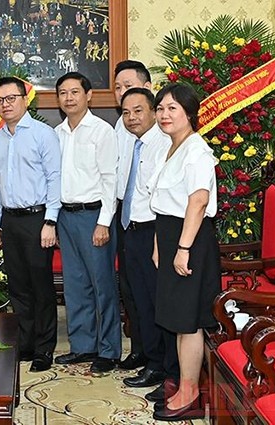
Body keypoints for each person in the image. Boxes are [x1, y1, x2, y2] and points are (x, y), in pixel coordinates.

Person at [150, 83, 220, 421]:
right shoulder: (171, 147)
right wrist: (158, 245)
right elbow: (163, 203)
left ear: (189, 113)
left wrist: (182, 248)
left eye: (172, 108)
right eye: (160, 108)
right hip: (169, 236)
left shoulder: (196, 150)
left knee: (188, 320)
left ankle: (190, 391)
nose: (164, 114)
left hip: (188, 239)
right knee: (178, 319)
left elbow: (198, 201)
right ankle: (183, 384)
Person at [0, 76, 61, 373]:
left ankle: (45, 348)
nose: (5, 105)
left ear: (24, 99)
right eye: (0, 101)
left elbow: (56, 178)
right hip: (9, 220)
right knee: (18, 287)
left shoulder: (43, 134)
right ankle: (26, 344)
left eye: (11, 98)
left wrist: (50, 221)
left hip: (37, 218)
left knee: (41, 287)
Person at [53, 72, 120, 374]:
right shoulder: (57, 133)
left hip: (95, 216)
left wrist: (104, 223)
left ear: (88, 95)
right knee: (76, 286)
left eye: (75, 92)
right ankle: (82, 346)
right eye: (63, 93)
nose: (69, 98)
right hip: (66, 217)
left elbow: (110, 180)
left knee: (102, 285)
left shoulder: (102, 131)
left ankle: (108, 351)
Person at [117, 88, 179, 393]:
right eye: (126, 113)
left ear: (154, 111)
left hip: (153, 231)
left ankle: (165, 369)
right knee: (140, 301)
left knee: (158, 303)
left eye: (138, 111)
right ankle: (152, 361)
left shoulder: (163, 144)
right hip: (132, 229)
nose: (131, 118)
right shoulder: (135, 143)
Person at [113, 60, 152, 371]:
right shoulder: (120, 124)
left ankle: (155, 357)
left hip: (150, 222)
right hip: (125, 217)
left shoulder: (162, 132)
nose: (122, 92)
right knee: (130, 289)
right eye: (118, 88)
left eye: (128, 85)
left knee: (150, 292)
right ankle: (139, 349)